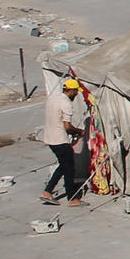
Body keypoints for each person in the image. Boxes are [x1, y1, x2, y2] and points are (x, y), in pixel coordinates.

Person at [40, 75, 87, 206]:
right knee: (69, 169)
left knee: (63, 165)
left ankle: (47, 191)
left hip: (49, 138)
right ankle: (72, 198)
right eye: (76, 92)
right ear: (71, 91)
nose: (76, 94)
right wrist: (79, 132)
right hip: (60, 140)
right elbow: (67, 126)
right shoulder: (66, 103)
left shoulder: (53, 98)